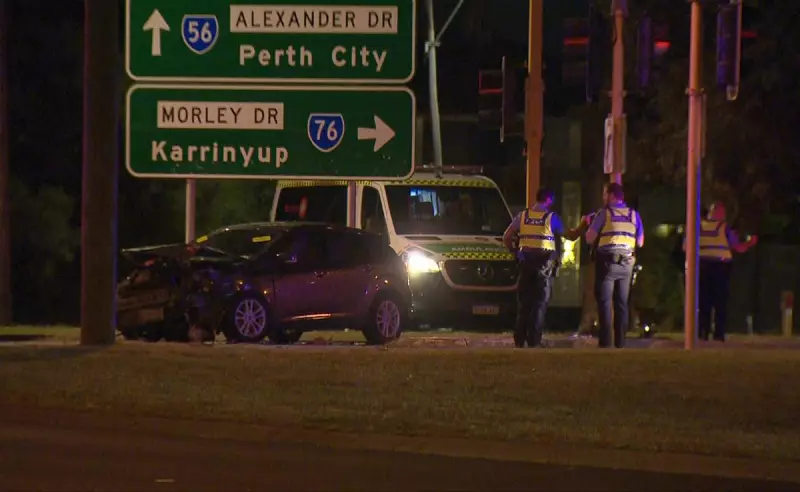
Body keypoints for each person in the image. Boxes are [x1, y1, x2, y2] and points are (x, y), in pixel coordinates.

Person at [503, 188, 590, 348]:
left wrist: (517, 254)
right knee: (539, 303)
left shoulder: (523, 216)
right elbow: (570, 236)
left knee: (524, 303)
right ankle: (534, 339)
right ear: (549, 200)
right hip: (543, 265)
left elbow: (506, 237)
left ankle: (519, 339)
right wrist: (583, 224)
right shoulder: (551, 218)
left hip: (526, 263)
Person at [686, 201, 757, 341]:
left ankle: (702, 332)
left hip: (701, 265)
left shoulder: (697, 226)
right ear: (720, 214)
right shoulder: (724, 228)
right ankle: (719, 333)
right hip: (720, 266)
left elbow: (685, 246)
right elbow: (737, 247)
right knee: (720, 302)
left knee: (702, 301)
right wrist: (750, 243)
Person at [585, 183, 644, 349]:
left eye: (604, 194)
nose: (603, 197)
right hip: (627, 262)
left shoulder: (604, 213)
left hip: (607, 261)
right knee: (621, 303)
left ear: (611, 195)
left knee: (604, 301)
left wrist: (591, 224)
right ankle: (620, 343)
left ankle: (605, 342)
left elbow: (589, 238)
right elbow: (640, 241)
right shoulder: (634, 215)